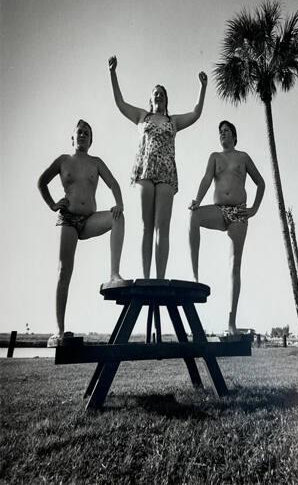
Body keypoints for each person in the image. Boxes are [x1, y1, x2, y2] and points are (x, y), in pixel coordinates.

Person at [109, 55, 207, 279]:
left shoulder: (173, 121)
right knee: (146, 226)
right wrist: (112, 73)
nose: (159, 96)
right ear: (151, 99)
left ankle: (160, 278)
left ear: (166, 100)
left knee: (162, 227)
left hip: (166, 174)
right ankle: (145, 277)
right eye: (156, 93)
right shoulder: (142, 116)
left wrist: (202, 88)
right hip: (145, 171)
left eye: (162, 94)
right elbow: (120, 103)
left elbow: (196, 113)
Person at [37, 120, 125, 347]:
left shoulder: (96, 162)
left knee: (118, 217)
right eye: (80, 133)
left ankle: (114, 274)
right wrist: (52, 204)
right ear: (73, 138)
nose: (83, 135)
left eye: (87, 133)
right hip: (67, 220)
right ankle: (59, 330)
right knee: (64, 270)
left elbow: (113, 182)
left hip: (89, 220)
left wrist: (119, 203)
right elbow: (42, 182)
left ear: (91, 140)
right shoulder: (63, 160)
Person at [189, 121, 265, 335]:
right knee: (193, 215)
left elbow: (261, 183)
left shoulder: (243, 157)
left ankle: (231, 322)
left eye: (226, 131)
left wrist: (255, 209)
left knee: (235, 266)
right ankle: (195, 276)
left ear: (234, 135)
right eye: (220, 131)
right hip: (218, 209)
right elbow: (206, 179)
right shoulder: (214, 157)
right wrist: (197, 199)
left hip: (239, 212)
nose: (223, 134)